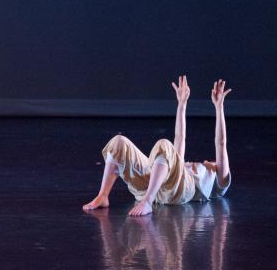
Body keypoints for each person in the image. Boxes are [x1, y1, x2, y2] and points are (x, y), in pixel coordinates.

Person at [83, 77, 232, 216]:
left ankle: (147, 202)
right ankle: (103, 195)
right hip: (153, 187)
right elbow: (180, 138)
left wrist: (219, 108)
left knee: (164, 145)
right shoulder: (183, 167)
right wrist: (182, 104)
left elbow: (221, 143)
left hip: (177, 193)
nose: (209, 160)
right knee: (119, 142)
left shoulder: (218, 179)